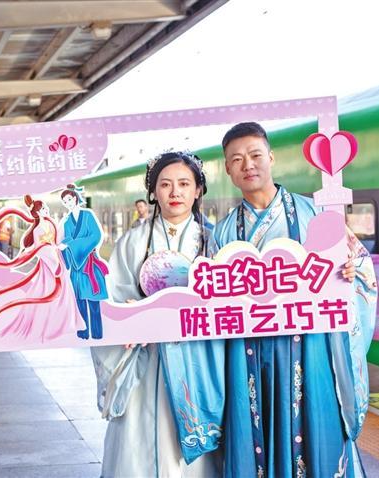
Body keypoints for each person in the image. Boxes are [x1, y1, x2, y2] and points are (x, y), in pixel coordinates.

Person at [213, 122, 377, 477]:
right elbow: (210, 300)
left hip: (310, 350)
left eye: (255, 155)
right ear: (227, 169)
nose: (248, 165)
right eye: (237, 159)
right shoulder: (222, 232)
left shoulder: (315, 215)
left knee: (317, 437)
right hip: (247, 353)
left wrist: (351, 273)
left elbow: (361, 266)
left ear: (271, 158)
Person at [93, 151, 222, 477]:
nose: (175, 192)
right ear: (153, 191)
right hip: (146, 363)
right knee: (141, 442)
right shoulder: (133, 242)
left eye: (184, 184)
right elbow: (113, 300)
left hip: (198, 361)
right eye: (165, 184)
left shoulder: (215, 242)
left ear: (198, 190)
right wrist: (130, 324)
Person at [0, 196, 84, 344]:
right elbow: (41, 249)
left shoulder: (50, 223)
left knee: (63, 293)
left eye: (46, 207)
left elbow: (55, 241)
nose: (47, 210)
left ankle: (64, 323)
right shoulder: (38, 229)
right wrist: (54, 264)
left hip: (57, 260)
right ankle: (51, 326)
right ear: (37, 212)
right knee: (47, 292)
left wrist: (61, 248)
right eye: (43, 208)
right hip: (49, 265)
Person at [59, 184, 109, 339]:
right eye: (64, 202)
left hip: (90, 264)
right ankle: (83, 334)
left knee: (93, 302)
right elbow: (67, 239)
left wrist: (71, 244)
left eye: (69, 199)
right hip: (76, 267)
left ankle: (97, 334)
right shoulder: (67, 222)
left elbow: (95, 236)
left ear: (75, 198)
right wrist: (64, 246)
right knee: (79, 301)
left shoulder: (88, 215)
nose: (67, 203)